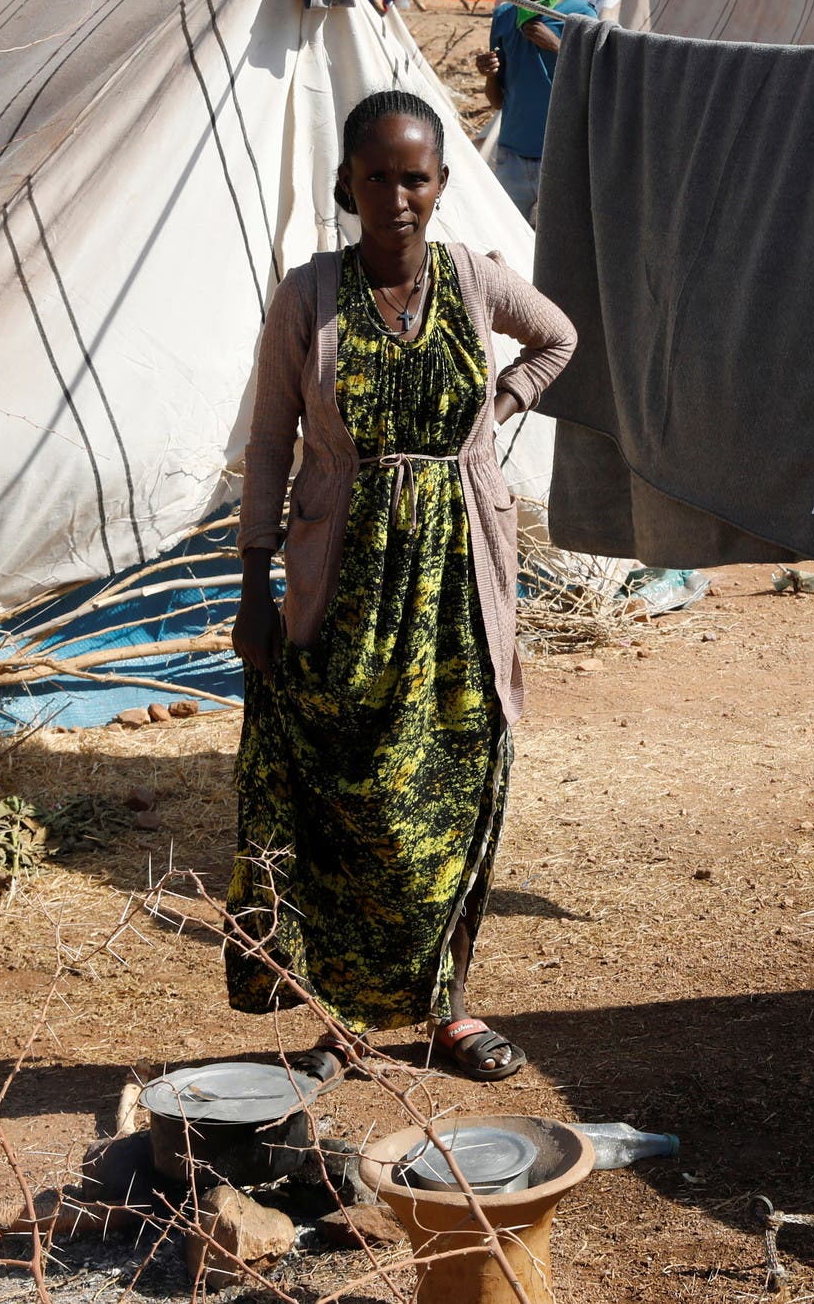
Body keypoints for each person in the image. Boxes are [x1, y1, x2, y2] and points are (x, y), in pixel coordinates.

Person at [230, 90, 578, 1082]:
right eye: (375, 175)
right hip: (342, 586)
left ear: (441, 183)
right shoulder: (308, 295)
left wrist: (501, 404)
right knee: (347, 797)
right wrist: (254, 581)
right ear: (347, 182)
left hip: (459, 589)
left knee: (455, 789)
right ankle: (337, 1018)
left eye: (414, 176)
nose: (395, 195)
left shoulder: (476, 279)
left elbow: (558, 338)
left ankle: (448, 1010)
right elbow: (267, 445)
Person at [474, 0, 598, 222]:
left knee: (555, 250)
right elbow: (499, 101)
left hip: (561, 159)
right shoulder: (505, 15)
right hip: (512, 155)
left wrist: (557, 45)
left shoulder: (579, 16)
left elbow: (598, 82)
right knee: (507, 238)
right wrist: (489, 73)